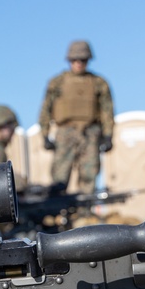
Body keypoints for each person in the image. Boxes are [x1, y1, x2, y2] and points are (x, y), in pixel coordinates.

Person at [38, 40, 115, 194]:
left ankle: (85, 214)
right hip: (65, 132)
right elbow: (46, 109)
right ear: (69, 60)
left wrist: (108, 136)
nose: (79, 63)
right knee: (60, 177)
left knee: (89, 175)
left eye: (83, 60)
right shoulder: (57, 82)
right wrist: (45, 135)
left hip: (90, 132)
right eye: (75, 60)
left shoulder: (99, 83)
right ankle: (57, 212)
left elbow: (107, 111)